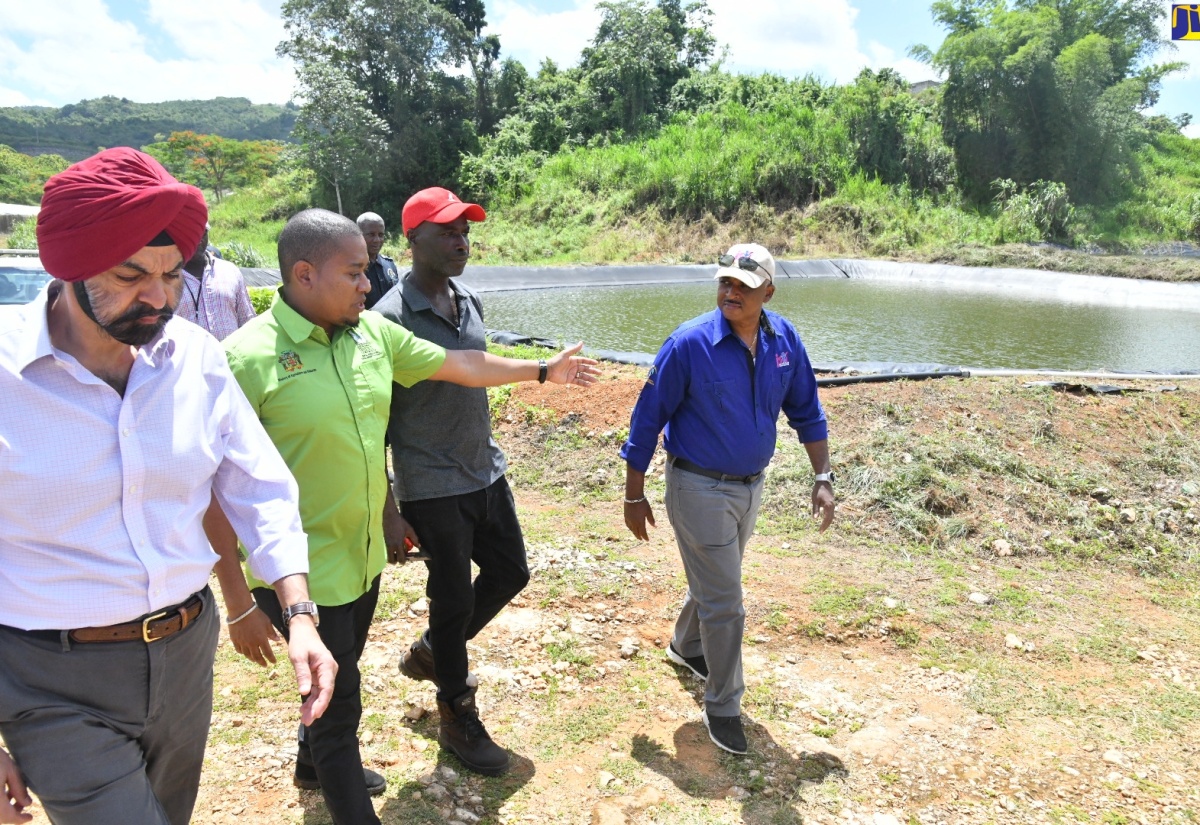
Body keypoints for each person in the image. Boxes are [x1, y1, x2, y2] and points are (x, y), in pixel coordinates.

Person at [216, 207, 598, 824]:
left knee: (339, 673)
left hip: (362, 557)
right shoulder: (243, 360)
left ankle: (310, 761)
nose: (370, 285)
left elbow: (461, 365)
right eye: (357, 272)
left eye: (370, 271)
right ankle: (335, 774)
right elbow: (208, 491)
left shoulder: (371, 335)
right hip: (298, 574)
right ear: (305, 275)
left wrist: (541, 371)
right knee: (341, 706)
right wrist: (236, 600)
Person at [0, 147, 335, 825]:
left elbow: (257, 484)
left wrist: (298, 611)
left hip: (184, 656)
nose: (156, 297)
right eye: (129, 276)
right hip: (50, 677)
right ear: (68, 268)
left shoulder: (195, 356)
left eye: (170, 274)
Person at [619, 242, 836, 756]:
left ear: (769, 290)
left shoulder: (784, 340)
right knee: (727, 600)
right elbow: (646, 419)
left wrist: (822, 475)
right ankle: (723, 705)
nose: (730, 291)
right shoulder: (689, 344)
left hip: (749, 486)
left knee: (719, 577)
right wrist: (633, 494)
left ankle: (686, 646)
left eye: (743, 284)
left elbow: (807, 410)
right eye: (724, 282)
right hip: (697, 485)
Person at [375, 187, 528, 777]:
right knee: (454, 595)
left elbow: (478, 376)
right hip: (432, 484)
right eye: (447, 232)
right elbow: (376, 424)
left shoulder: (469, 301)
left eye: (466, 231)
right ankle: (456, 713)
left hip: (484, 470)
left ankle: (435, 650)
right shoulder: (387, 319)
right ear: (412, 241)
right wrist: (390, 507)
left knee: (512, 571)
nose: (461, 241)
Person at [176, 223, 256, 340]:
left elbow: (248, 323)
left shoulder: (230, 271)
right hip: (187, 358)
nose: (198, 239)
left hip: (231, 358)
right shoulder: (166, 278)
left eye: (202, 233)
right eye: (192, 233)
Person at [356, 211, 399, 309]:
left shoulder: (389, 265)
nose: (377, 240)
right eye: (371, 234)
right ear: (359, 235)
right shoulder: (352, 269)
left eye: (380, 235)